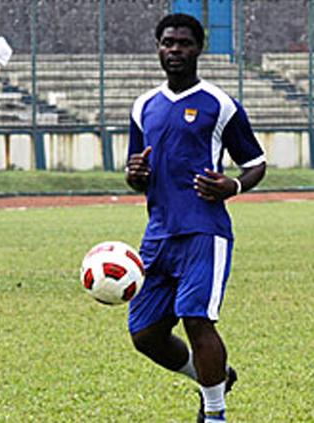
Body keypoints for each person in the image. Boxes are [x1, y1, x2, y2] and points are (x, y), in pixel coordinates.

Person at [125, 14, 266, 423]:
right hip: (159, 236)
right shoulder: (143, 106)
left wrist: (234, 186)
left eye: (184, 43)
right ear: (158, 47)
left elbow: (255, 163)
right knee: (146, 334)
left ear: (198, 49)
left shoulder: (219, 104)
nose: (175, 50)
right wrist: (134, 177)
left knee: (196, 319)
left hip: (205, 231)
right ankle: (218, 379)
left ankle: (215, 413)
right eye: (168, 43)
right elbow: (138, 174)